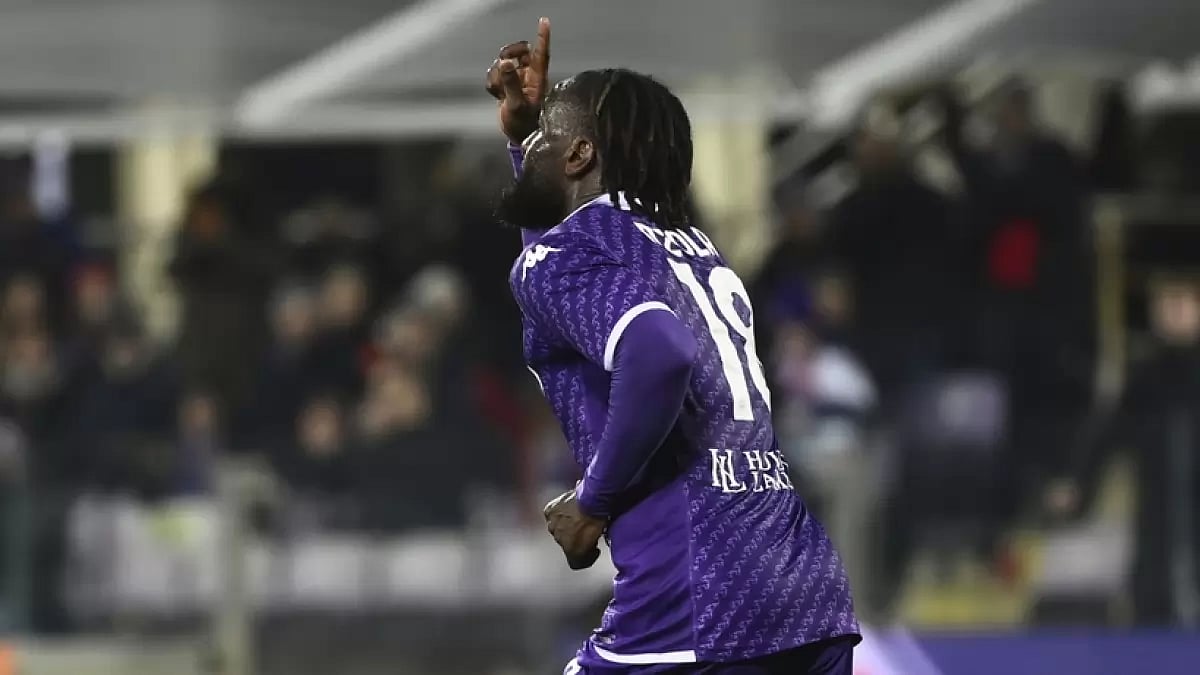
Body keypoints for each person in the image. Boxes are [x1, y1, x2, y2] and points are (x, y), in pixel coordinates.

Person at [484, 18, 858, 674]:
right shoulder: (690, 248)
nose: (532, 141)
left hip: (695, 596)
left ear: (578, 158)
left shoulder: (574, 253)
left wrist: (591, 502)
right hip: (803, 591)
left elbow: (658, 350)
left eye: (547, 135)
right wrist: (523, 142)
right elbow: (561, 270)